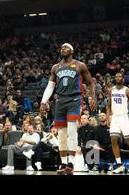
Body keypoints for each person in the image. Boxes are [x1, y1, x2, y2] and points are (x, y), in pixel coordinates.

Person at [40, 43, 97, 175]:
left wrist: (93, 97)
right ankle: (63, 163)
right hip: (60, 100)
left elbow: (91, 82)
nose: (62, 49)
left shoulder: (80, 65)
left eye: (65, 47)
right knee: (61, 134)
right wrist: (44, 101)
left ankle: (71, 163)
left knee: (72, 131)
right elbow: (50, 86)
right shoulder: (55, 67)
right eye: (61, 48)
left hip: (74, 99)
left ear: (72, 50)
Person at [107, 72, 129, 175]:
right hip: (115, 117)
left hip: (125, 117)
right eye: (116, 76)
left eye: (120, 76)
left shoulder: (127, 90)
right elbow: (108, 105)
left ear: (123, 79)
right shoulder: (111, 90)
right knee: (113, 140)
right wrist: (108, 117)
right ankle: (119, 165)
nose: (118, 78)